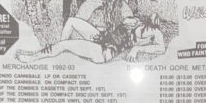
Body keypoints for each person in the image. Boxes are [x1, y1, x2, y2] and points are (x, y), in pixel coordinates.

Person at [15, 11, 166, 65]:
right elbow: (117, 31)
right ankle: (59, 51)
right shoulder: (139, 21)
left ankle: (33, 58)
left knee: (65, 45)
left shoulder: (156, 33)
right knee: (71, 21)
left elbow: (161, 48)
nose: (154, 16)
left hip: (104, 50)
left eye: (156, 18)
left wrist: (137, 49)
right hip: (102, 38)